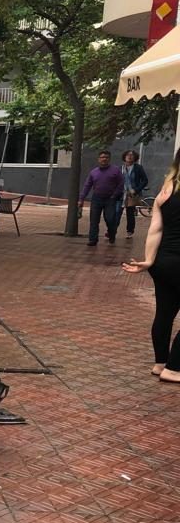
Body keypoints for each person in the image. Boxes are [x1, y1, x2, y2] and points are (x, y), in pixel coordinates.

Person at [122, 147, 180, 382]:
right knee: (165, 314)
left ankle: (161, 363)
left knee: (165, 314)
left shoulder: (166, 190)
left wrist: (149, 260)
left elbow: (155, 228)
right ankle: (174, 369)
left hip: (163, 262)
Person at [79, 149, 123, 246]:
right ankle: (93, 239)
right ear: (98, 159)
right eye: (102, 157)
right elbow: (87, 185)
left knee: (110, 219)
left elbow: (121, 184)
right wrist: (81, 198)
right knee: (94, 220)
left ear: (109, 159)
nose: (104, 159)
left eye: (106, 157)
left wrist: (114, 195)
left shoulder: (115, 170)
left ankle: (112, 235)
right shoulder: (94, 172)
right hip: (96, 198)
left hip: (110, 199)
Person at [118, 149, 149, 239]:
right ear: (124, 157)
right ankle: (112, 230)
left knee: (130, 213)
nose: (130, 156)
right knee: (117, 212)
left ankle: (130, 231)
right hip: (121, 193)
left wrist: (137, 190)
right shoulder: (121, 168)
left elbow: (145, 180)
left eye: (132, 155)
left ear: (135, 157)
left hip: (132, 194)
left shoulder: (138, 168)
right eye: (128, 154)